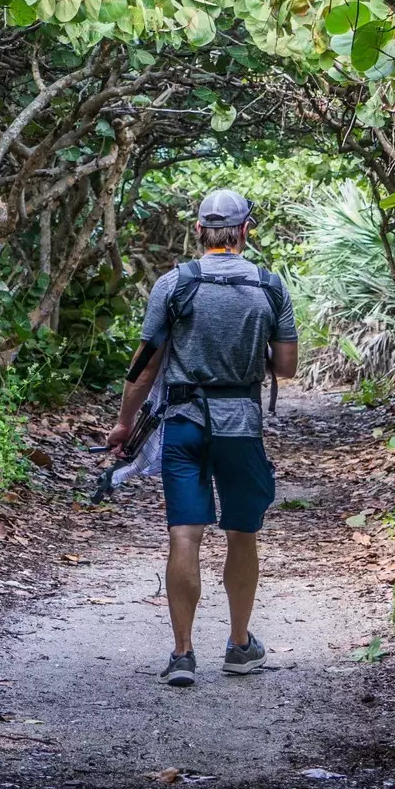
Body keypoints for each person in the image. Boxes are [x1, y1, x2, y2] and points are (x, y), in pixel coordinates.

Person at [104, 189, 298, 686]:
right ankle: (238, 644)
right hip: (241, 425)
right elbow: (287, 367)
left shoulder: (174, 283)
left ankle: (183, 654)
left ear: (198, 231)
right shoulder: (269, 285)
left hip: (184, 424)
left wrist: (125, 423)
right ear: (245, 231)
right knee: (242, 532)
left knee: (184, 534)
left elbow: (144, 367)